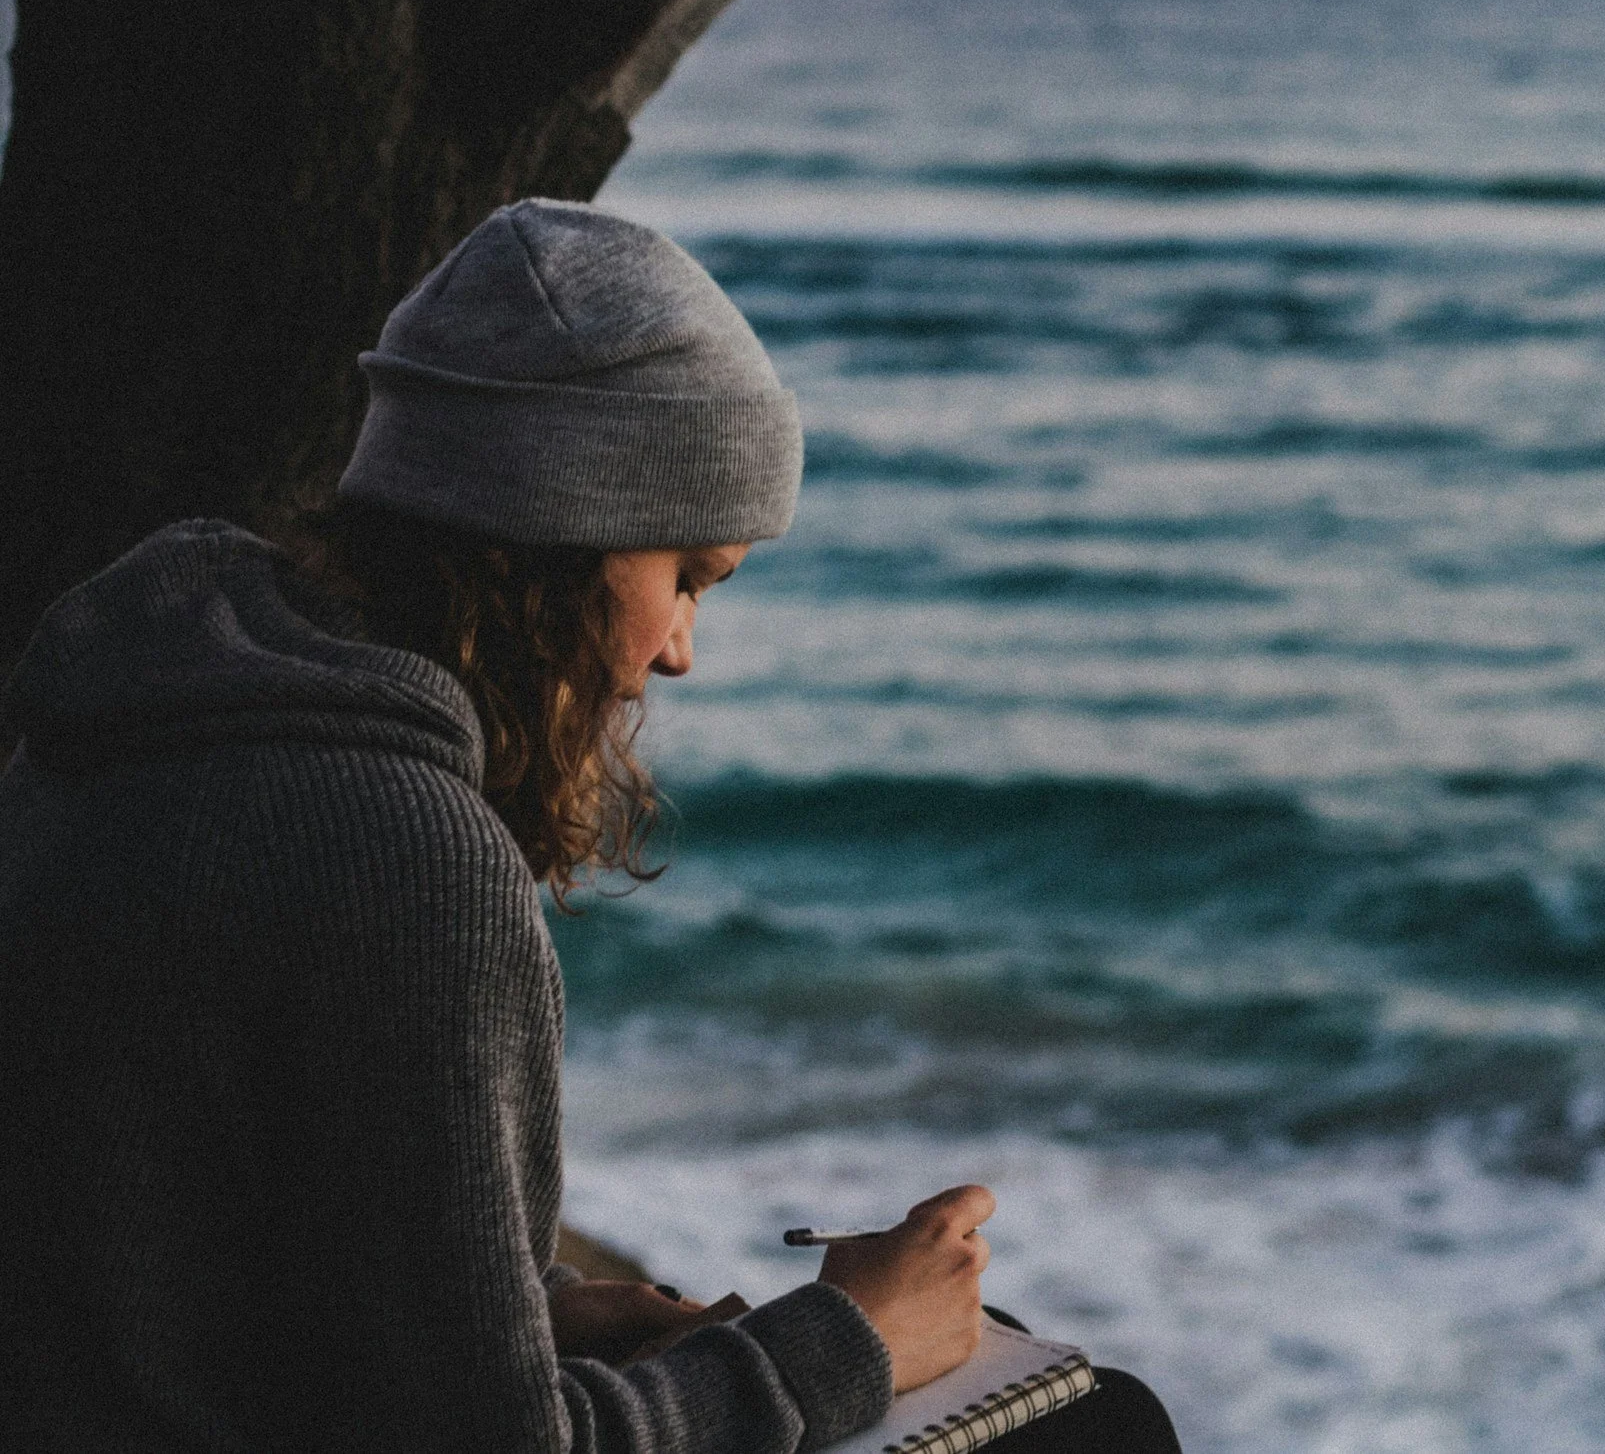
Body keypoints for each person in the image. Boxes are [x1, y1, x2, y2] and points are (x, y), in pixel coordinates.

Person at [0, 200, 1179, 1452]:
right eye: (685, 577)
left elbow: (191, 1269)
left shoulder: (132, 727)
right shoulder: (400, 850)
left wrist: (541, 1312)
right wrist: (849, 1341)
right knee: (1093, 1423)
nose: (677, 651)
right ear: (558, 542)